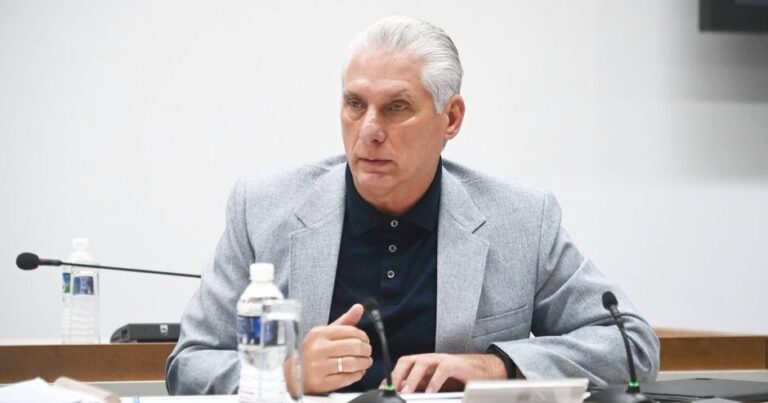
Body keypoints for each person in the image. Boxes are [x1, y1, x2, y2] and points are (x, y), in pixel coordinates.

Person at [166, 16, 660, 396]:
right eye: (355, 104)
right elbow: (189, 364)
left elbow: (632, 345)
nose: (369, 130)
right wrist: (286, 376)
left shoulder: (521, 220)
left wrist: (497, 366)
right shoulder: (263, 207)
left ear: (452, 118)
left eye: (396, 107)